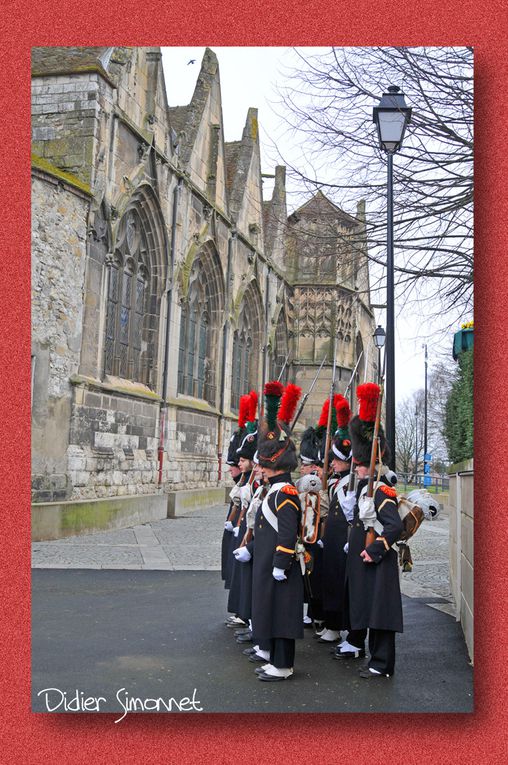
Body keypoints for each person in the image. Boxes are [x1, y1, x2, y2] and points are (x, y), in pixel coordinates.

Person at [234, 380, 303, 681]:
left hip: (280, 566)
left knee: (282, 616)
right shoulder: (272, 490)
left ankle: (284, 665)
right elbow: (262, 529)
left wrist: (279, 563)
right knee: (270, 612)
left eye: (263, 464)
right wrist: (249, 549)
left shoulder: (285, 492)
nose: (258, 468)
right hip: (267, 562)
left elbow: (287, 533)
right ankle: (274, 658)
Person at [344, 382, 404, 678]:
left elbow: (394, 526)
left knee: (380, 614)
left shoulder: (381, 491)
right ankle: (374, 660)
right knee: (370, 609)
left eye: (358, 465)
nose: (355, 469)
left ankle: (382, 665)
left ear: (369, 464)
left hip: (377, 559)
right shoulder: (368, 490)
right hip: (367, 558)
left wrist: (374, 550)